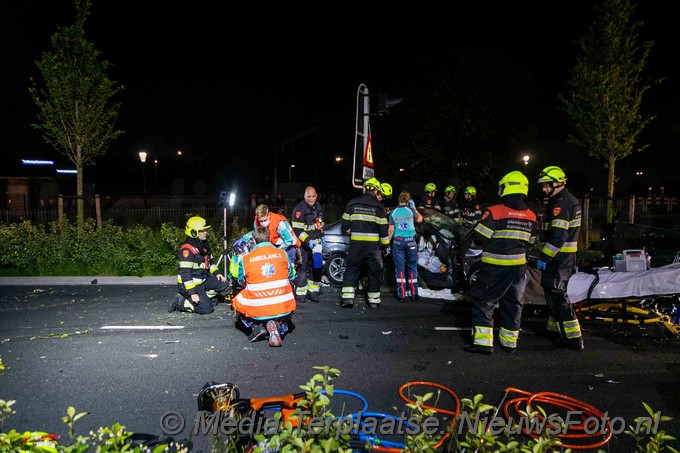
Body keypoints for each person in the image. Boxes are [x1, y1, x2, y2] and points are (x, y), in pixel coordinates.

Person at [464, 171, 538, 354]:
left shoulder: (494, 212)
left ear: (505, 188)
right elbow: (533, 241)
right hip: (519, 269)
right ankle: (509, 343)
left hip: (495, 267)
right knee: (513, 303)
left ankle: (482, 343)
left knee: (484, 300)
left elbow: (480, 238)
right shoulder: (531, 216)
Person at [535, 166, 584, 351]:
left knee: (557, 294)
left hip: (559, 258)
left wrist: (545, 257)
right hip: (563, 257)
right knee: (552, 293)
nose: (544, 189)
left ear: (557, 183)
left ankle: (573, 338)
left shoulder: (561, 203)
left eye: (546, 185)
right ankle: (556, 330)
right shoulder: (566, 200)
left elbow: (558, 236)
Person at [231, 227, 297, 347]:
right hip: (283, 305)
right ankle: (280, 325)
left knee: (237, 301)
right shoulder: (282, 254)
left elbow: (241, 281)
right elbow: (292, 275)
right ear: (269, 238)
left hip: (258, 308)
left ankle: (256, 326)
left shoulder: (246, 259)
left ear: (254, 241)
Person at [340, 177, 390, 309]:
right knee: (373, 272)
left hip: (356, 245)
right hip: (372, 248)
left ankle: (347, 299)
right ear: (375, 190)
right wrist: (385, 246)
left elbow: (344, 225)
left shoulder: (352, 203)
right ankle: (373, 301)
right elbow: (383, 230)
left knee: (352, 269)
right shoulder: (379, 207)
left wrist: (354, 232)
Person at [169, 216, 231, 314]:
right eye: (203, 231)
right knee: (207, 309)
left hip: (202, 281)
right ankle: (181, 302)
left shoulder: (203, 246)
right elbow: (185, 274)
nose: (206, 233)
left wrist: (217, 273)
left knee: (224, 283)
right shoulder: (187, 250)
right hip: (189, 285)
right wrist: (192, 293)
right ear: (194, 233)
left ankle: (203, 298)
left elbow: (210, 263)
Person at [291, 186, 325, 303]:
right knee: (302, 267)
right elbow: (297, 230)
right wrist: (308, 241)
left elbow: (320, 223)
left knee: (316, 268)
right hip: (304, 245)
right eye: (308, 196)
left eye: (313, 196)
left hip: (317, 243)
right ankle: (300, 293)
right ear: (304, 196)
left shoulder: (318, 207)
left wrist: (322, 236)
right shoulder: (299, 209)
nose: (311, 199)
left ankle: (313, 292)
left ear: (316, 195)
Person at [388, 191, 423, 302]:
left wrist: (386, 244)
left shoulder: (393, 213)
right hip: (411, 242)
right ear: (408, 201)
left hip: (398, 241)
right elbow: (420, 219)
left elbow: (391, 231)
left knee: (400, 268)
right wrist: (415, 209)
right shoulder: (411, 211)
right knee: (412, 266)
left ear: (399, 200)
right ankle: (414, 293)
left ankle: (401, 295)